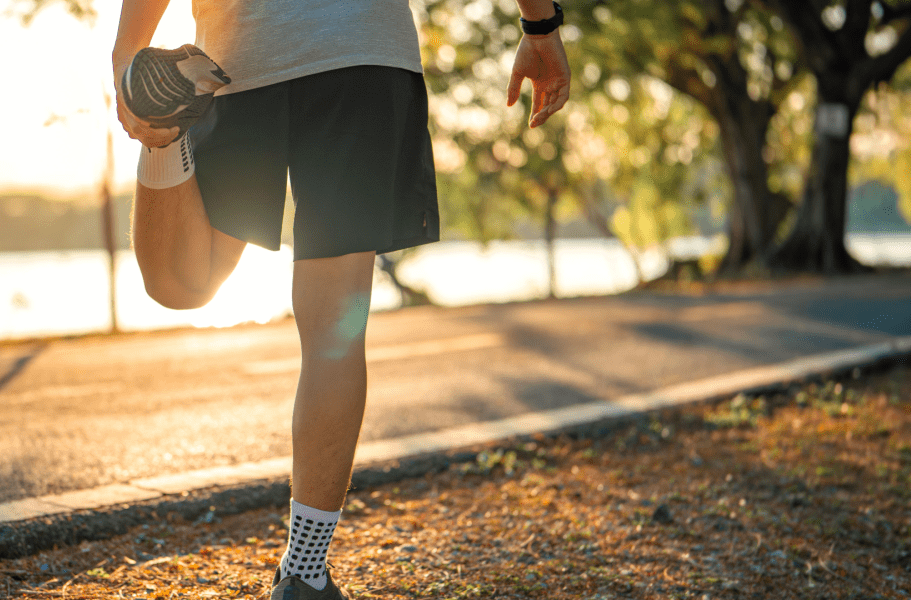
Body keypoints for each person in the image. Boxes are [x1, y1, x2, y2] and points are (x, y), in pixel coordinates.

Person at [111, 1, 570, 598]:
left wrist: (127, 54)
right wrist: (540, 23)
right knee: (332, 331)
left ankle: (163, 133)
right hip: (358, 56)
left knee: (182, 281)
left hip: (243, 55)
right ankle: (302, 576)